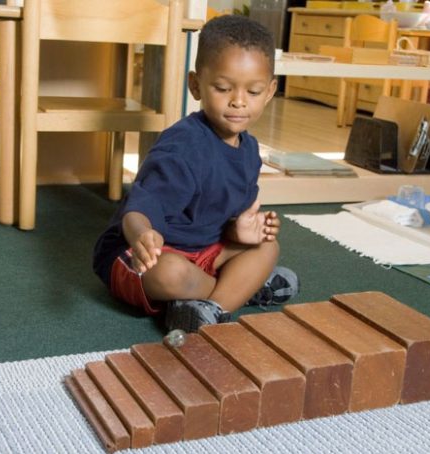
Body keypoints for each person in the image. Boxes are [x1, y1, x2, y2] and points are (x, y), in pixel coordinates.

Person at [93, 15, 299, 333]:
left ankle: (207, 308)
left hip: (206, 254)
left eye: (254, 92)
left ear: (271, 91)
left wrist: (241, 233)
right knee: (171, 273)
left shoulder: (249, 150)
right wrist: (142, 236)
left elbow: (225, 227)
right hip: (146, 258)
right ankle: (237, 292)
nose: (238, 101)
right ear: (196, 84)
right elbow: (137, 210)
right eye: (222, 87)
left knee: (269, 248)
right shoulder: (182, 146)